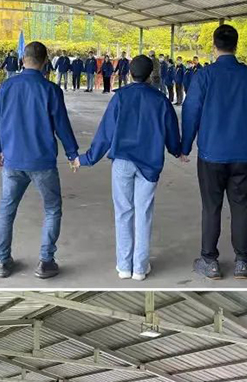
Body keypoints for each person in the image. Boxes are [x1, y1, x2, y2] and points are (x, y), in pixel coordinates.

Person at [76, 55, 180, 280]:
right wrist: (177, 150)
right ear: (151, 74)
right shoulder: (160, 100)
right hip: (149, 163)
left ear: (130, 73)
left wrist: (86, 159)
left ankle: (124, 266)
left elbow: (105, 133)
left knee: (123, 212)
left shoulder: (120, 97)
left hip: (122, 161)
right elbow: (171, 130)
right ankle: (140, 268)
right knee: (144, 213)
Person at [181, 24, 247, 281]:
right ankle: (242, 261)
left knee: (211, 207)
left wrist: (185, 146)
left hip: (211, 154)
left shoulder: (204, 76)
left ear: (214, 46)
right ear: (236, 45)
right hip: (242, 154)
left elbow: (191, 111)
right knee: (241, 206)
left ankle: (210, 261)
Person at [0, 40, 79, 280]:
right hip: (42, 162)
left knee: (6, 210)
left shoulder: (7, 86)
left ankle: (2, 261)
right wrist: (72, 154)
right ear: (45, 62)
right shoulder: (51, 90)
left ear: (22, 60)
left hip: (12, 160)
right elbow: (62, 125)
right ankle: (46, 261)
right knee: (52, 209)